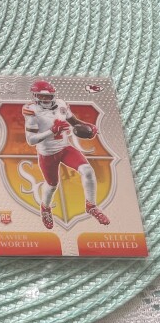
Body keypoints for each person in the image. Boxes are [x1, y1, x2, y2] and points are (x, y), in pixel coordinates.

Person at [23, 79, 110, 229]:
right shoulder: (32, 111)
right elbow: (31, 140)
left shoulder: (61, 104)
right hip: (47, 153)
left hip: (65, 148)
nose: (46, 99)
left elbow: (74, 122)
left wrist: (88, 127)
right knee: (52, 186)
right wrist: (52, 131)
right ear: (35, 96)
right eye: (42, 96)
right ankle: (45, 208)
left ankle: (91, 206)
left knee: (88, 171)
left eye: (48, 96)